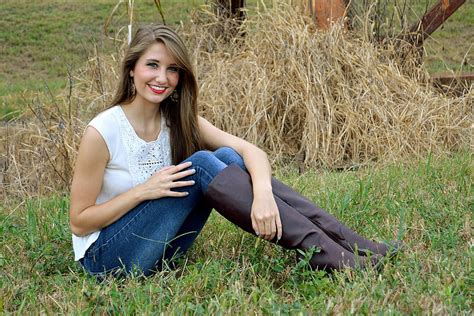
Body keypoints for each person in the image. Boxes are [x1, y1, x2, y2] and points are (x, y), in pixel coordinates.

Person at [70, 24, 398, 278]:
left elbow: (251, 151)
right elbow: (80, 222)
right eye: (152, 65)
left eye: (172, 69)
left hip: (161, 252)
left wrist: (264, 196)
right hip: (107, 260)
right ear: (132, 69)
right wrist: (143, 191)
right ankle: (336, 259)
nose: (162, 77)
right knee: (201, 164)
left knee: (228, 159)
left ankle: (351, 245)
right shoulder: (103, 131)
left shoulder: (179, 120)